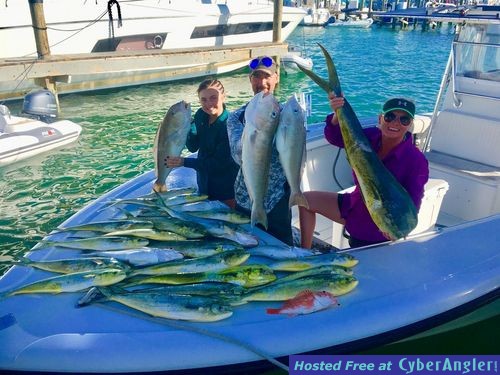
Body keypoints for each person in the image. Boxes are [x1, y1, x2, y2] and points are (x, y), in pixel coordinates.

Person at [299, 95, 429, 248]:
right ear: (380, 118)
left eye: (404, 119)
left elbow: (413, 202)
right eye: (390, 116)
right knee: (304, 201)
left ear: (410, 124)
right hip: (355, 204)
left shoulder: (416, 160)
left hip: (378, 221)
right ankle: (304, 252)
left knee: (359, 254)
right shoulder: (370, 137)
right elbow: (335, 137)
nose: (395, 123)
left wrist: (395, 229)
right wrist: (336, 113)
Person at [226, 56, 294, 246]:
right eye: (256, 77)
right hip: (245, 196)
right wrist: (253, 130)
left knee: (282, 249)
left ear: (276, 78)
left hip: (278, 198)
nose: (262, 82)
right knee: (245, 250)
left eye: (267, 76)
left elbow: (295, 153)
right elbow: (238, 155)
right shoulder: (236, 118)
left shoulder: (289, 116)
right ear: (250, 80)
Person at [165, 79, 239, 208]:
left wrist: (184, 162)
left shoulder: (229, 124)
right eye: (203, 100)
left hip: (226, 190)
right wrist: (187, 126)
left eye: (213, 98)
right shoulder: (201, 115)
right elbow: (193, 146)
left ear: (223, 97)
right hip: (204, 184)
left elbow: (219, 164)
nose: (209, 104)